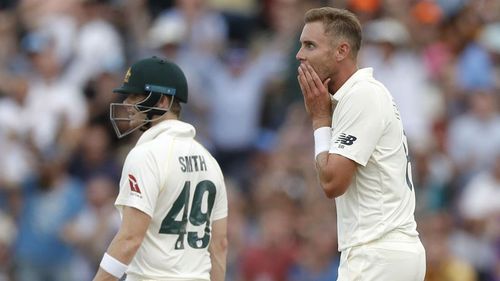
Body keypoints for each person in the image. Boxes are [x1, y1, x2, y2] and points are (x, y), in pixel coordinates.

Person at [296, 7, 425, 281]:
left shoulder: (361, 95)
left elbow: (332, 182)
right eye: (300, 45)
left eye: (310, 45)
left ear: (342, 51)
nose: (300, 55)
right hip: (389, 251)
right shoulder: (356, 96)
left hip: (377, 253)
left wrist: (320, 120)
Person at [92, 57, 228, 281]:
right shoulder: (209, 160)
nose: (126, 103)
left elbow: (129, 239)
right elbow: (220, 244)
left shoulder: (145, 155)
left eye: (135, 96)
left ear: (162, 102)